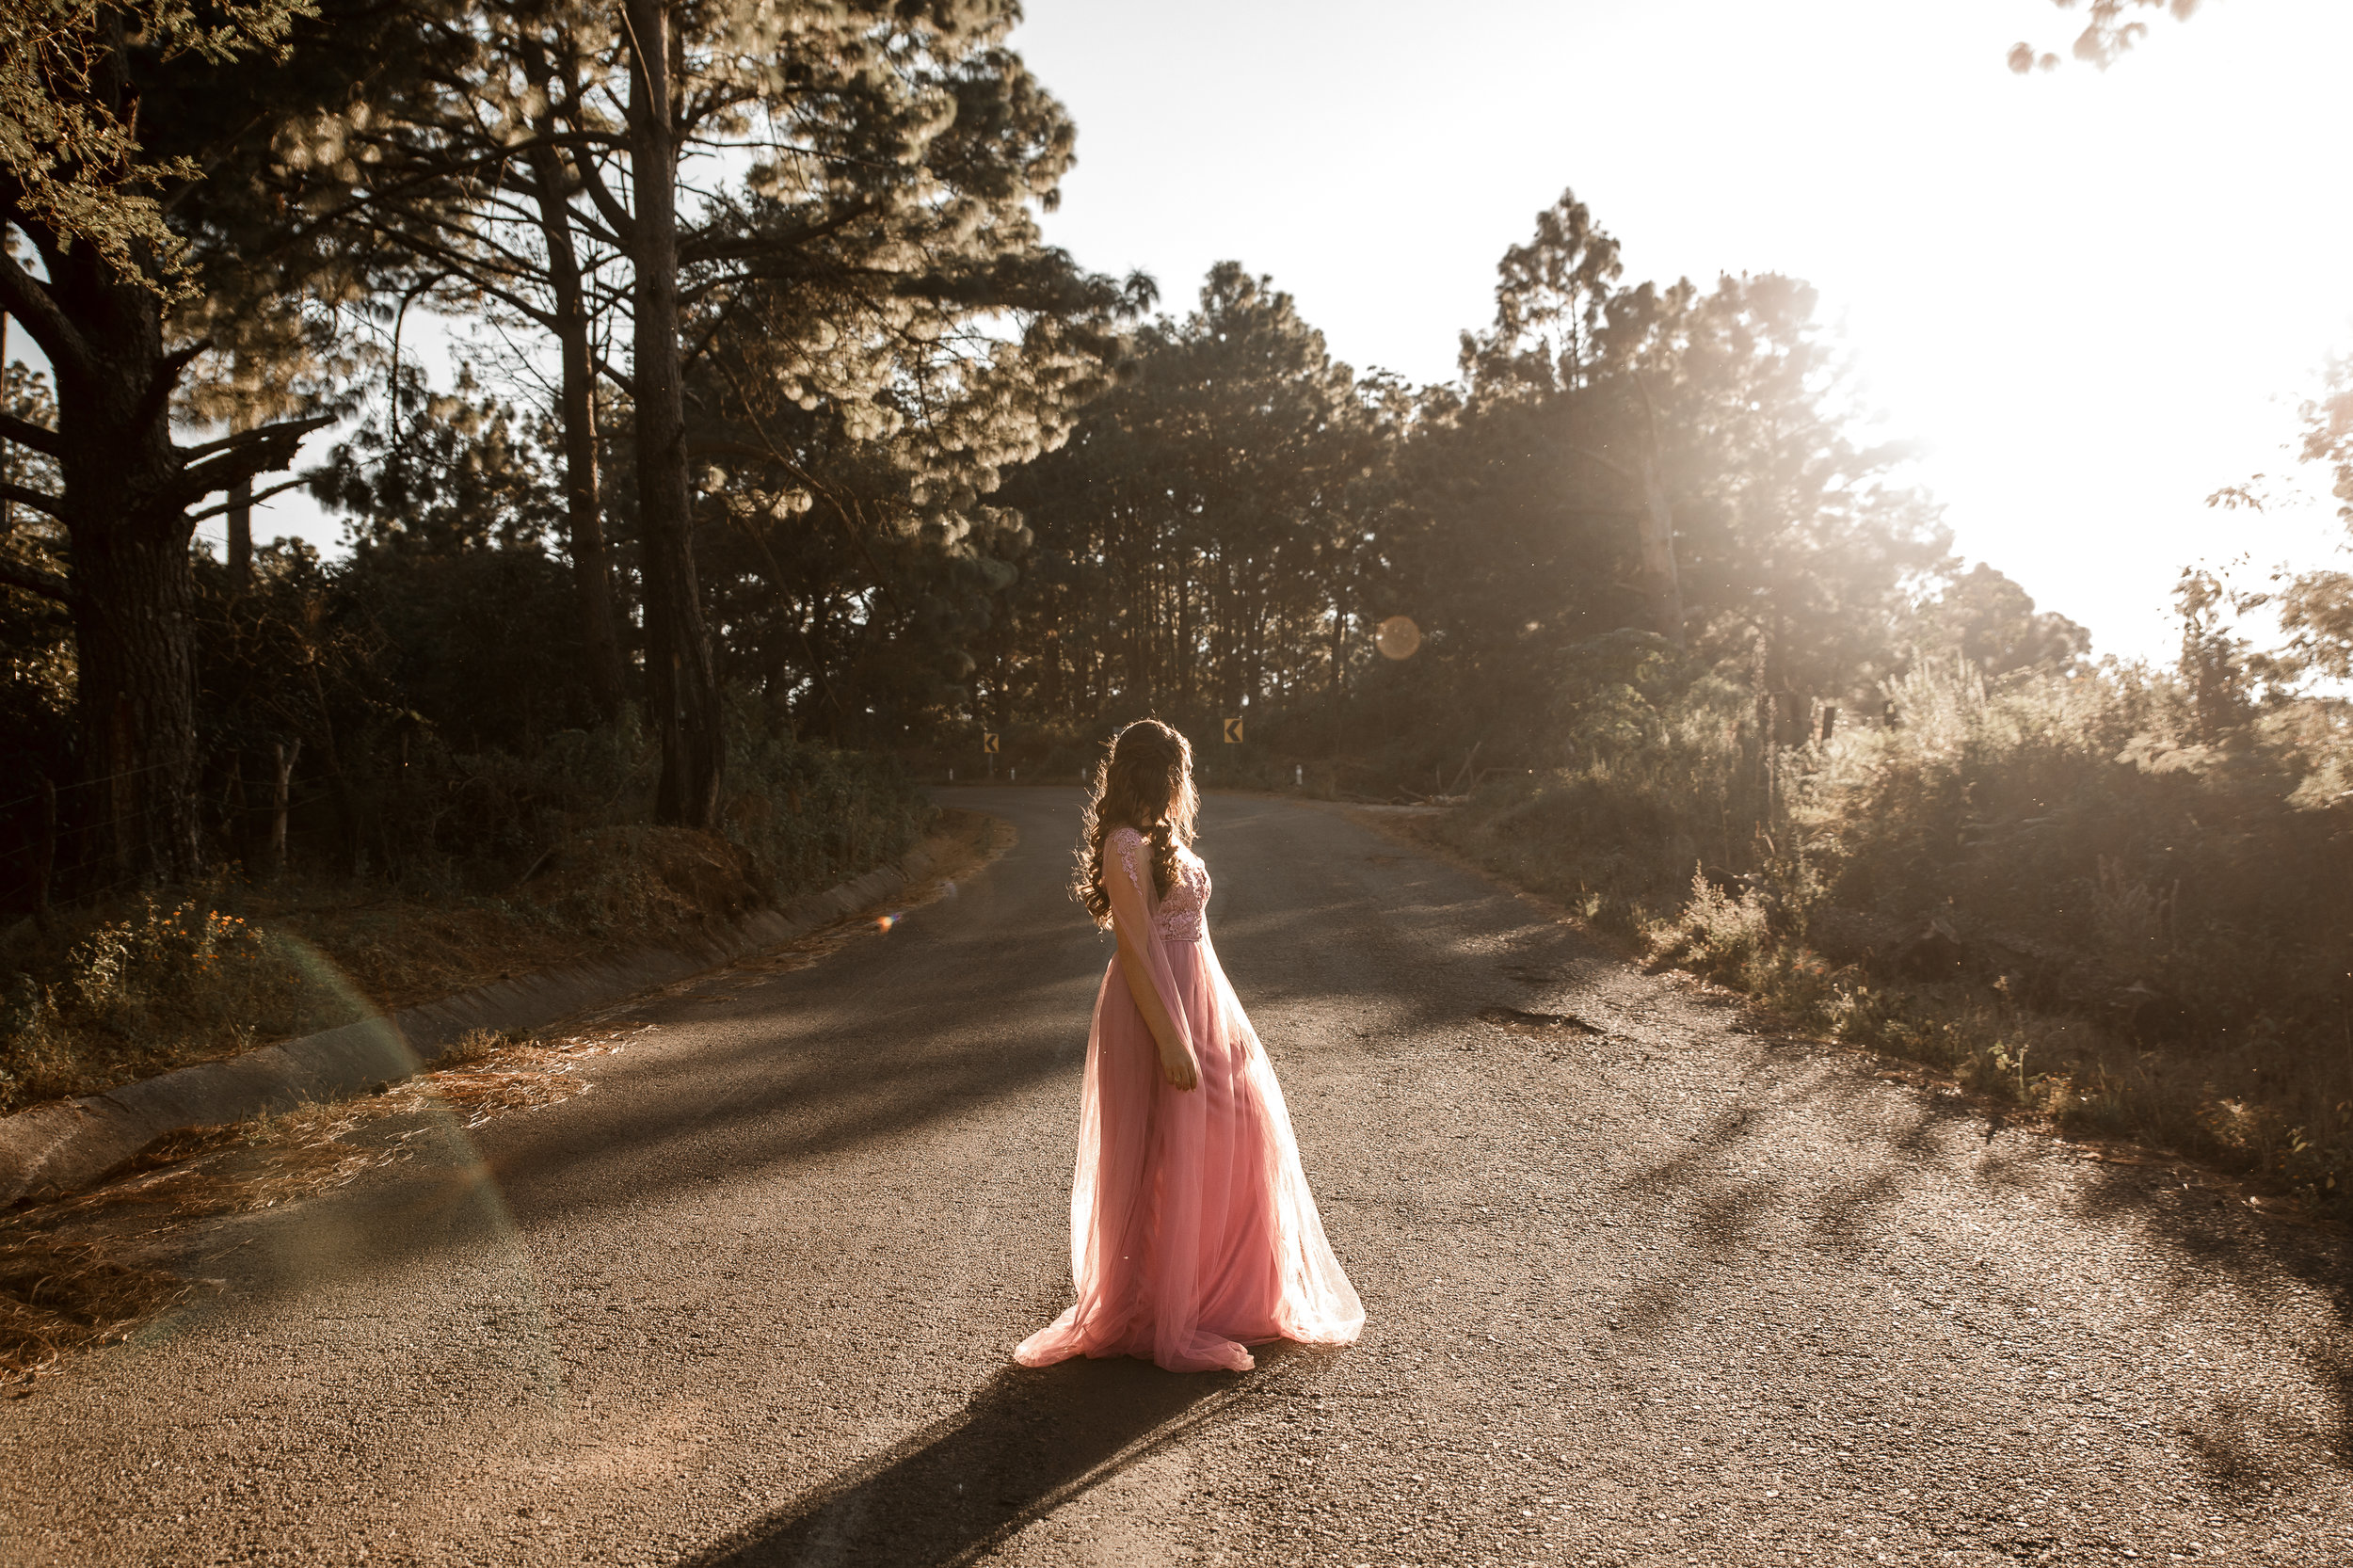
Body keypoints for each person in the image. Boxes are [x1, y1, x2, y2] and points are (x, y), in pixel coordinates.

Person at [1015, 718, 1365, 1374]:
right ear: (1160, 772)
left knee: (1244, 1131)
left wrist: (1216, 1023)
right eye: (1180, 771)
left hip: (1204, 996)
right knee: (1159, 1149)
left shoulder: (1163, 834)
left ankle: (1224, 1292)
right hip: (1156, 1007)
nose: (1185, 784)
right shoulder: (1125, 844)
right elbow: (1137, 951)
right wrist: (1172, 1040)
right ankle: (1162, 1303)